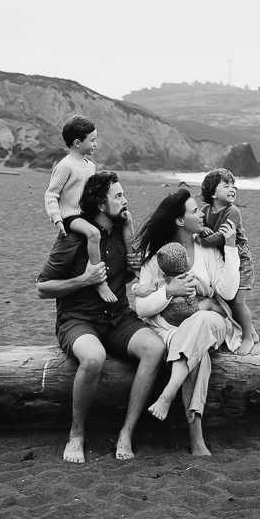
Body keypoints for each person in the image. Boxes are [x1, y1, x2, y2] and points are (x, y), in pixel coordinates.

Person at [36, 170, 165, 463]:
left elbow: (134, 275)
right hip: (77, 320)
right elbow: (42, 288)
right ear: (100, 204)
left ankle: (126, 432)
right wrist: (83, 279)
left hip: (118, 317)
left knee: (155, 348)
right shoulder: (73, 238)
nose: (125, 200)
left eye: (123, 194)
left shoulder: (122, 230)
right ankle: (76, 435)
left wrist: (137, 260)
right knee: (94, 358)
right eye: (118, 196)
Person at [133, 188, 241, 457]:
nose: (201, 214)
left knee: (201, 320)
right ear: (180, 221)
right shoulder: (161, 257)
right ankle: (196, 438)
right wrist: (169, 292)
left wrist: (229, 248)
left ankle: (167, 394)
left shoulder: (207, 250)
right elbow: (141, 306)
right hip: (177, 333)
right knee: (197, 354)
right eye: (194, 211)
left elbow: (226, 293)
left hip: (213, 322)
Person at [44, 114, 138, 303]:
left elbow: (95, 192)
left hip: (86, 213)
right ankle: (99, 280)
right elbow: (51, 194)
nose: (96, 144)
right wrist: (57, 219)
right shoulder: (66, 166)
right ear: (78, 143)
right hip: (71, 217)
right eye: (92, 140)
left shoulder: (90, 166)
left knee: (123, 221)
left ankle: (135, 265)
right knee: (94, 234)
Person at [197, 168, 258, 354]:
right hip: (223, 263)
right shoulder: (205, 211)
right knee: (228, 302)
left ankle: (248, 338)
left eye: (234, 185)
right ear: (213, 193)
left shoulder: (233, 211)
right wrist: (201, 231)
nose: (232, 189)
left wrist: (202, 239)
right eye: (226, 185)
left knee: (239, 302)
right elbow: (199, 226)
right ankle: (252, 332)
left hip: (241, 260)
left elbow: (221, 238)